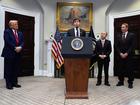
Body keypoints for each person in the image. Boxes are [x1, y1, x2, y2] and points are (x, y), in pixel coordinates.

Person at [1, 20, 24, 90]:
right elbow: (7, 41)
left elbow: (22, 41)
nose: (17, 25)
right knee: (8, 69)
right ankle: (9, 84)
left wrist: (21, 47)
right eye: (15, 24)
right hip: (9, 53)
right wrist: (15, 48)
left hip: (18, 53)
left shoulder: (20, 33)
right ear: (11, 25)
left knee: (16, 69)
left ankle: (15, 83)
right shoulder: (7, 32)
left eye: (17, 24)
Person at [115, 23, 135, 89]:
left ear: (127, 28)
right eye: (121, 27)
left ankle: (130, 82)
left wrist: (127, 53)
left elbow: (132, 46)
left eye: (123, 27)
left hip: (128, 56)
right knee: (120, 69)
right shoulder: (118, 35)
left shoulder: (132, 35)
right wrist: (120, 53)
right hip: (120, 56)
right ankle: (121, 81)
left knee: (129, 69)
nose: (122, 28)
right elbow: (116, 46)